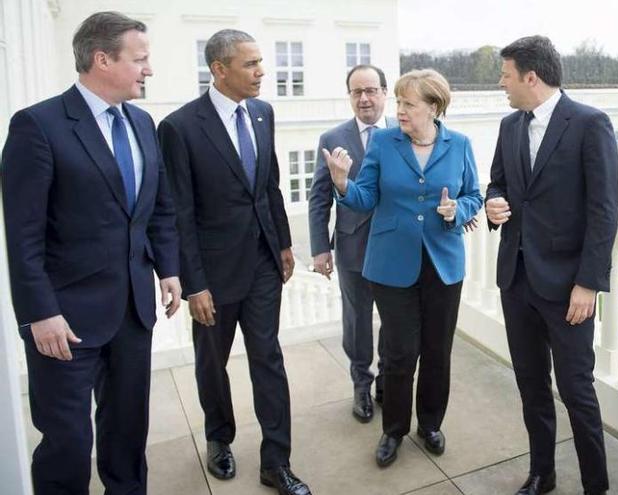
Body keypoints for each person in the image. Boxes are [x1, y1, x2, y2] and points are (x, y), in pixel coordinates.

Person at [0, 12, 182, 495]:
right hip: (64, 321)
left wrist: (168, 269)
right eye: (140, 59)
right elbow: (22, 235)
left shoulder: (143, 123)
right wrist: (41, 313)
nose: (149, 69)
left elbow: (157, 207)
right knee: (68, 443)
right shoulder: (37, 126)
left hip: (131, 313)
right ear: (102, 59)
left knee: (127, 434)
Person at [157, 29, 309, 495]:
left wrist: (282, 242)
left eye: (262, 62)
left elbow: (269, 186)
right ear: (219, 69)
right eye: (251, 64)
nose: (263, 72)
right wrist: (194, 285)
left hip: (263, 262)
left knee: (269, 358)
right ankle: (218, 437)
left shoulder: (264, 113)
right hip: (213, 275)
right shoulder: (179, 128)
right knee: (212, 363)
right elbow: (179, 211)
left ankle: (276, 461)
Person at [323, 69, 483, 467]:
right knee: (399, 353)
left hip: (443, 264)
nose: (400, 111)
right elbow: (365, 197)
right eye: (398, 103)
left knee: (437, 352)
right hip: (392, 265)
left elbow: (474, 195)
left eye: (408, 104)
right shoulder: (383, 142)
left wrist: (456, 209)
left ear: (433, 107)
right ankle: (393, 430)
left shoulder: (460, 144)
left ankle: (430, 424)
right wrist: (343, 184)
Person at [486, 35, 618, 495]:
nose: (501, 84)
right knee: (531, 386)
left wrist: (588, 283)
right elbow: (497, 183)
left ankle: (595, 487)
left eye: (505, 75)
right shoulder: (508, 126)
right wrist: (493, 204)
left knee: (578, 393)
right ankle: (542, 474)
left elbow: (604, 210)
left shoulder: (589, 124)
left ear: (530, 76)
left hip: (568, 289)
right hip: (517, 281)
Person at [309, 64, 395, 423]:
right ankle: (362, 382)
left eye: (371, 90)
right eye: (357, 92)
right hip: (352, 248)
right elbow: (318, 198)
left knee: (395, 320)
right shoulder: (332, 138)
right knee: (357, 321)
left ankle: (388, 381)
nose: (364, 98)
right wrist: (319, 248)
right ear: (350, 96)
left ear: (384, 93)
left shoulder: (402, 133)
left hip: (395, 249)